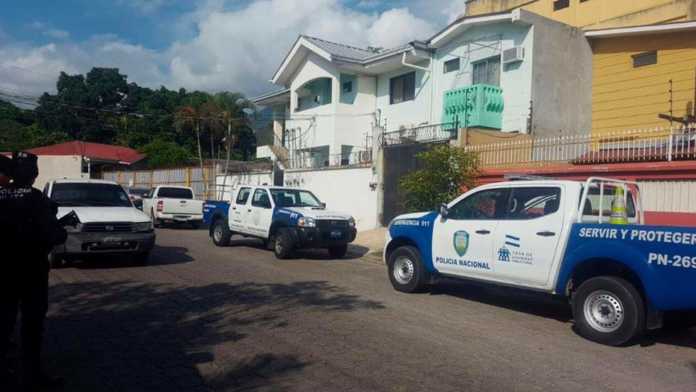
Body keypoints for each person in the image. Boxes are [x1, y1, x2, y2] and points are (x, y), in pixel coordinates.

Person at [0, 151, 68, 391]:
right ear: (34, 174)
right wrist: (59, 227)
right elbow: (55, 235)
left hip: (4, 273)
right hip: (31, 272)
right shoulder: (37, 199)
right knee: (31, 326)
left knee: (3, 324)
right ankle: (32, 376)